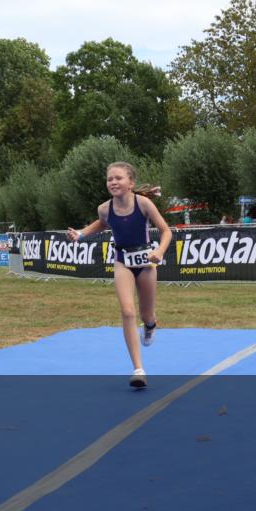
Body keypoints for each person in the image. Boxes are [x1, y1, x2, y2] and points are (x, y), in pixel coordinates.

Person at [65, 162, 171, 389]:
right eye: (109, 179)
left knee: (145, 314)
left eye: (118, 178)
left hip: (146, 263)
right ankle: (138, 369)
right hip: (122, 261)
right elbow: (102, 224)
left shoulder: (144, 204)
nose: (113, 182)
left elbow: (166, 231)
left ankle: (151, 325)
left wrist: (159, 252)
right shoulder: (104, 208)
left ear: (130, 183)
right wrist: (81, 234)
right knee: (127, 311)